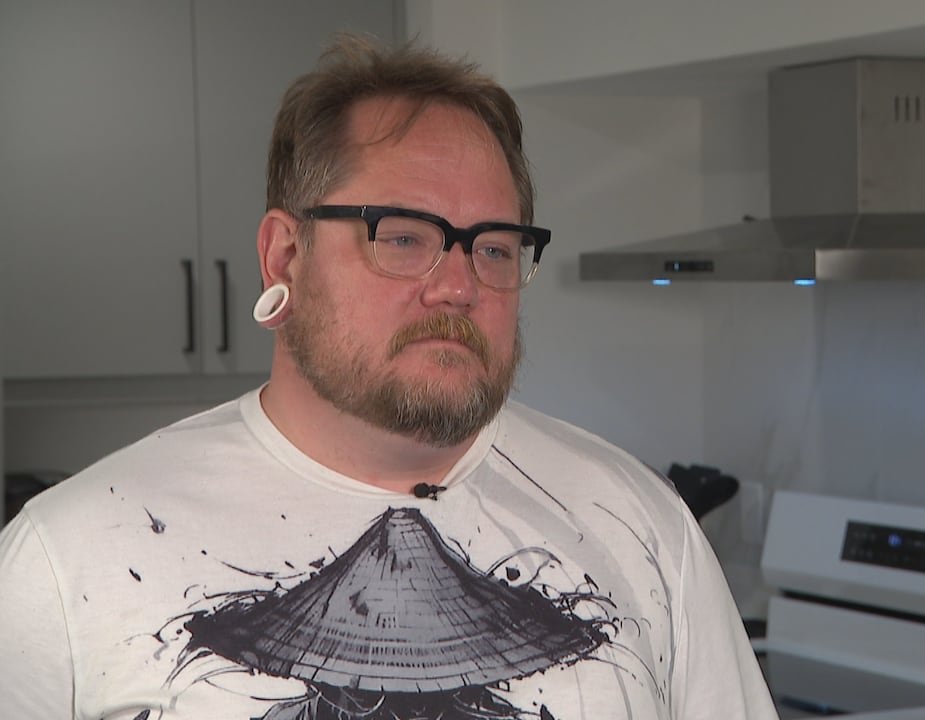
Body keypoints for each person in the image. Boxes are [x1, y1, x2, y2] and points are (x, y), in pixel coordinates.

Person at [0, 36, 778, 720]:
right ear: (284, 258)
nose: (459, 284)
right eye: (403, 237)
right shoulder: (68, 558)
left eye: (495, 247)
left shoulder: (646, 527)